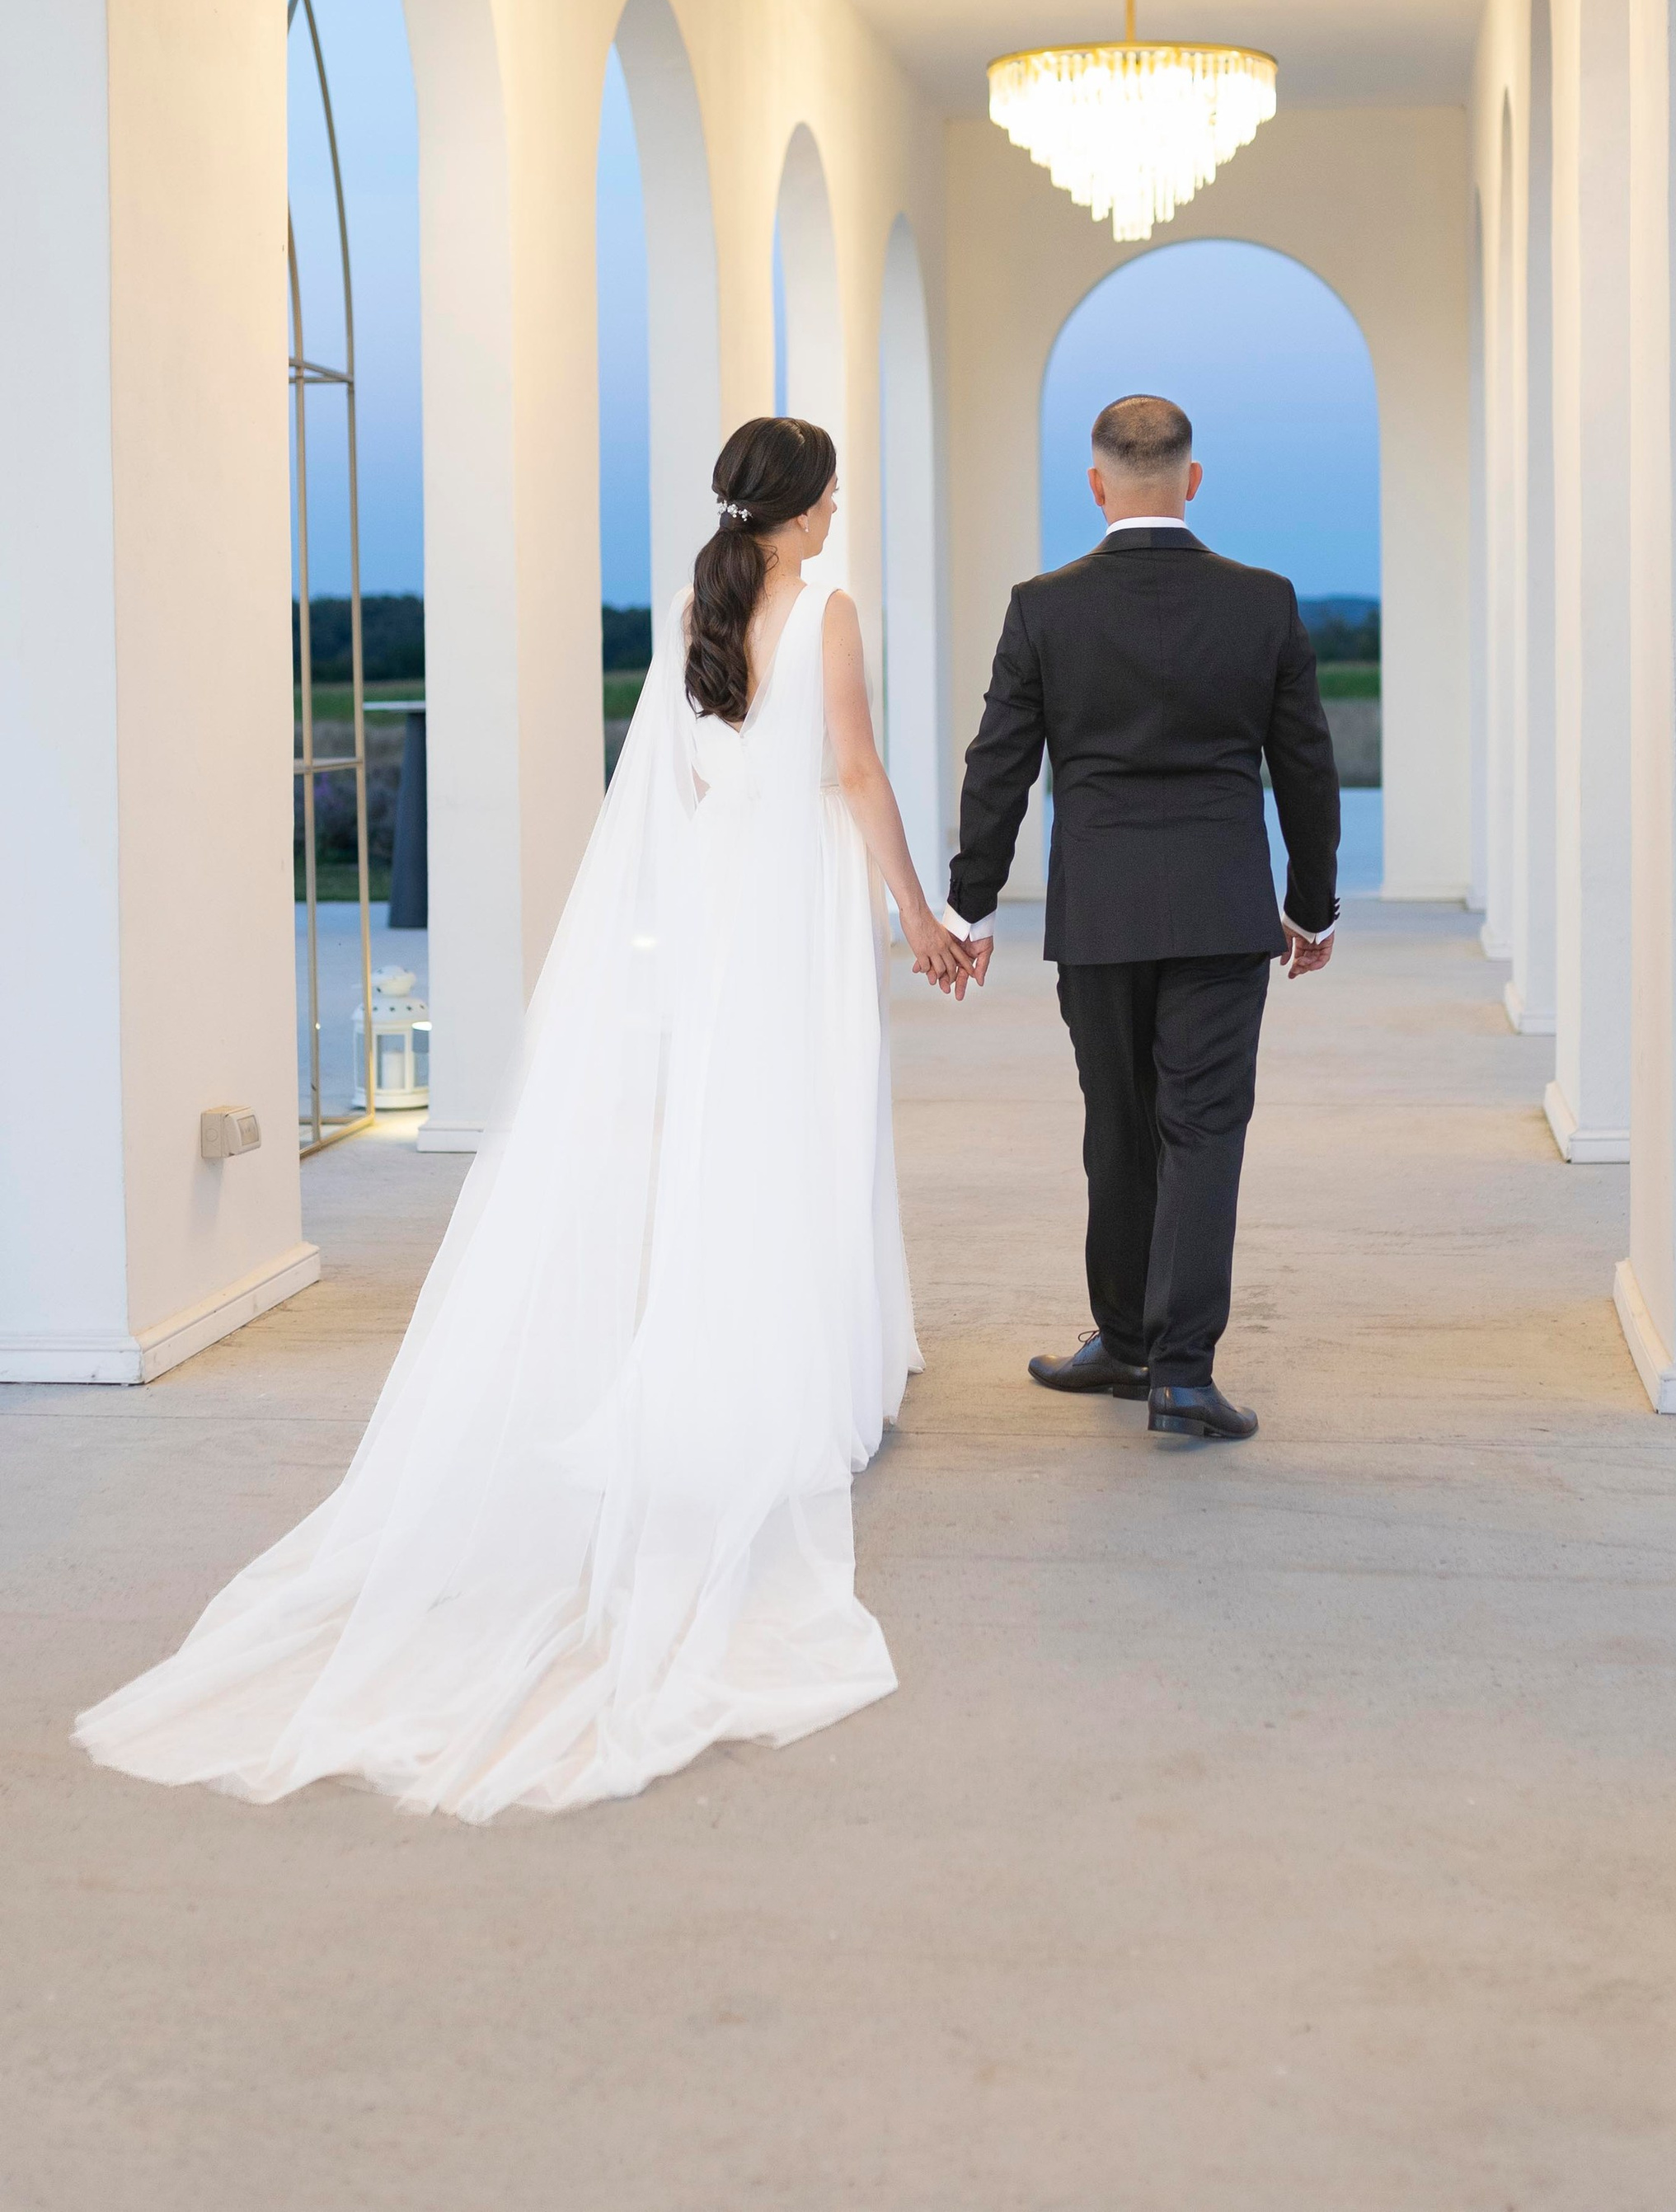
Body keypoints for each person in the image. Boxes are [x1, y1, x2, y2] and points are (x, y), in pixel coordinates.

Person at [76, 417, 968, 1820]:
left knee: (723, 1142)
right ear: (795, 508)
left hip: (734, 904)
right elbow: (854, 776)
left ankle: (737, 1352)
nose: (840, 506)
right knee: (802, 1132)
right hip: (795, 909)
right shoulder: (827, 611)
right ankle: (794, 1377)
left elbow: (678, 787)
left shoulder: (703, 610)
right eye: (828, 489)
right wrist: (917, 912)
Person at [946, 394, 1340, 1442]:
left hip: (1101, 912)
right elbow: (1306, 764)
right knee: (1201, 1130)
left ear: (1096, 483)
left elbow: (1000, 766)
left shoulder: (1044, 606)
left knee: (1117, 1125)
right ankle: (1171, 1370)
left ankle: (1127, 1338)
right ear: (1191, 478)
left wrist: (968, 903)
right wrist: (1310, 901)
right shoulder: (1263, 602)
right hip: (1220, 909)